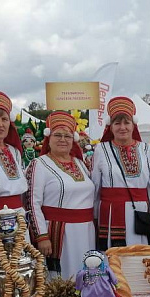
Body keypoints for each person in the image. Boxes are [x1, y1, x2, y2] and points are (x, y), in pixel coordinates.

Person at [25, 111, 96, 280]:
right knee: (63, 279)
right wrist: (41, 236)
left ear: (74, 140)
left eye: (67, 136)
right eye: (57, 135)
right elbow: (31, 203)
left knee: (87, 274)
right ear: (48, 138)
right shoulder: (39, 164)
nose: (63, 139)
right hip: (59, 233)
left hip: (86, 231)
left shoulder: (79, 163)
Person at [91, 96, 150, 250]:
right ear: (110, 127)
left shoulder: (146, 149)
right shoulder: (101, 150)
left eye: (126, 122)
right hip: (110, 214)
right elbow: (96, 188)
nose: (122, 127)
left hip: (140, 214)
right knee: (114, 260)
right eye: (117, 123)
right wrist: (94, 219)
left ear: (133, 125)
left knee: (139, 258)